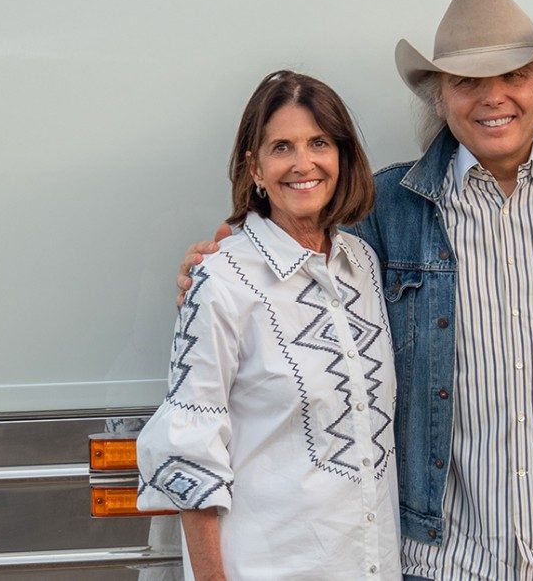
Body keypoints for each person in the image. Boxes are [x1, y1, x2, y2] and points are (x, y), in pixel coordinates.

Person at [177, 0, 533, 580]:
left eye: (514, 75)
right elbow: (297, 279)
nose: (493, 97)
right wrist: (219, 268)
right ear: (438, 99)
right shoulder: (386, 208)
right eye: (467, 81)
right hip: (443, 554)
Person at [140, 71, 399, 580]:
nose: (303, 163)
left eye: (319, 143)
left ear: (342, 157)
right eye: (282, 147)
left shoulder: (363, 264)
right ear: (255, 168)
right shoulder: (221, 278)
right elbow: (191, 450)